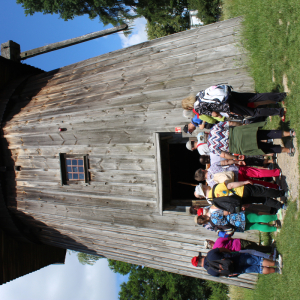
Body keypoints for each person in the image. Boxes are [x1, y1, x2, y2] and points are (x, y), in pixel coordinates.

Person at [207, 121, 295, 158]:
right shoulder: (213, 129)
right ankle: (290, 133)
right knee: (266, 134)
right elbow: (230, 123)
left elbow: (224, 155)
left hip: (240, 147)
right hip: (241, 133)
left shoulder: (211, 148)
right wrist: (241, 125)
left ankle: (289, 150)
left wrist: (235, 158)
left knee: (265, 149)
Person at [182, 90, 286, 120]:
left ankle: (279, 111)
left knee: (254, 112)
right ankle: (280, 96)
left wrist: (219, 115)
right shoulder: (199, 94)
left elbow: (213, 113)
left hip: (229, 106)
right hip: (229, 95)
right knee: (254, 97)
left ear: (189, 107)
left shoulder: (198, 108)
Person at [194, 181, 288, 211]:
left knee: (263, 200)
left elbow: (225, 206)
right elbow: (230, 185)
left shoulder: (212, 201)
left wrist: (242, 205)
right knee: (263, 191)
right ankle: (282, 194)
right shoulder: (215, 188)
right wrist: (244, 182)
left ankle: (281, 206)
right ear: (204, 188)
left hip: (240, 200)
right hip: (242, 191)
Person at [191, 249, 283, 276]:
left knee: (258, 269)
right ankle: (277, 264)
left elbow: (223, 274)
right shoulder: (210, 254)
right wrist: (230, 253)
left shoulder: (209, 271)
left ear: (199, 266)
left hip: (236, 269)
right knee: (258, 260)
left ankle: (277, 271)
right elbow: (223, 249)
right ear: (200, 257)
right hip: (236, 258)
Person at [194, 163, 281, 189]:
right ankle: (276, 173)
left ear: (202, 179)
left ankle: (275, 186)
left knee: (257, 184)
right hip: (237, 170)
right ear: (202, 170)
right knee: (257, 172)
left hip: (237, 182)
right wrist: (235, 161)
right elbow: (225, 162)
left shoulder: (212, 185)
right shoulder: (212, 167)